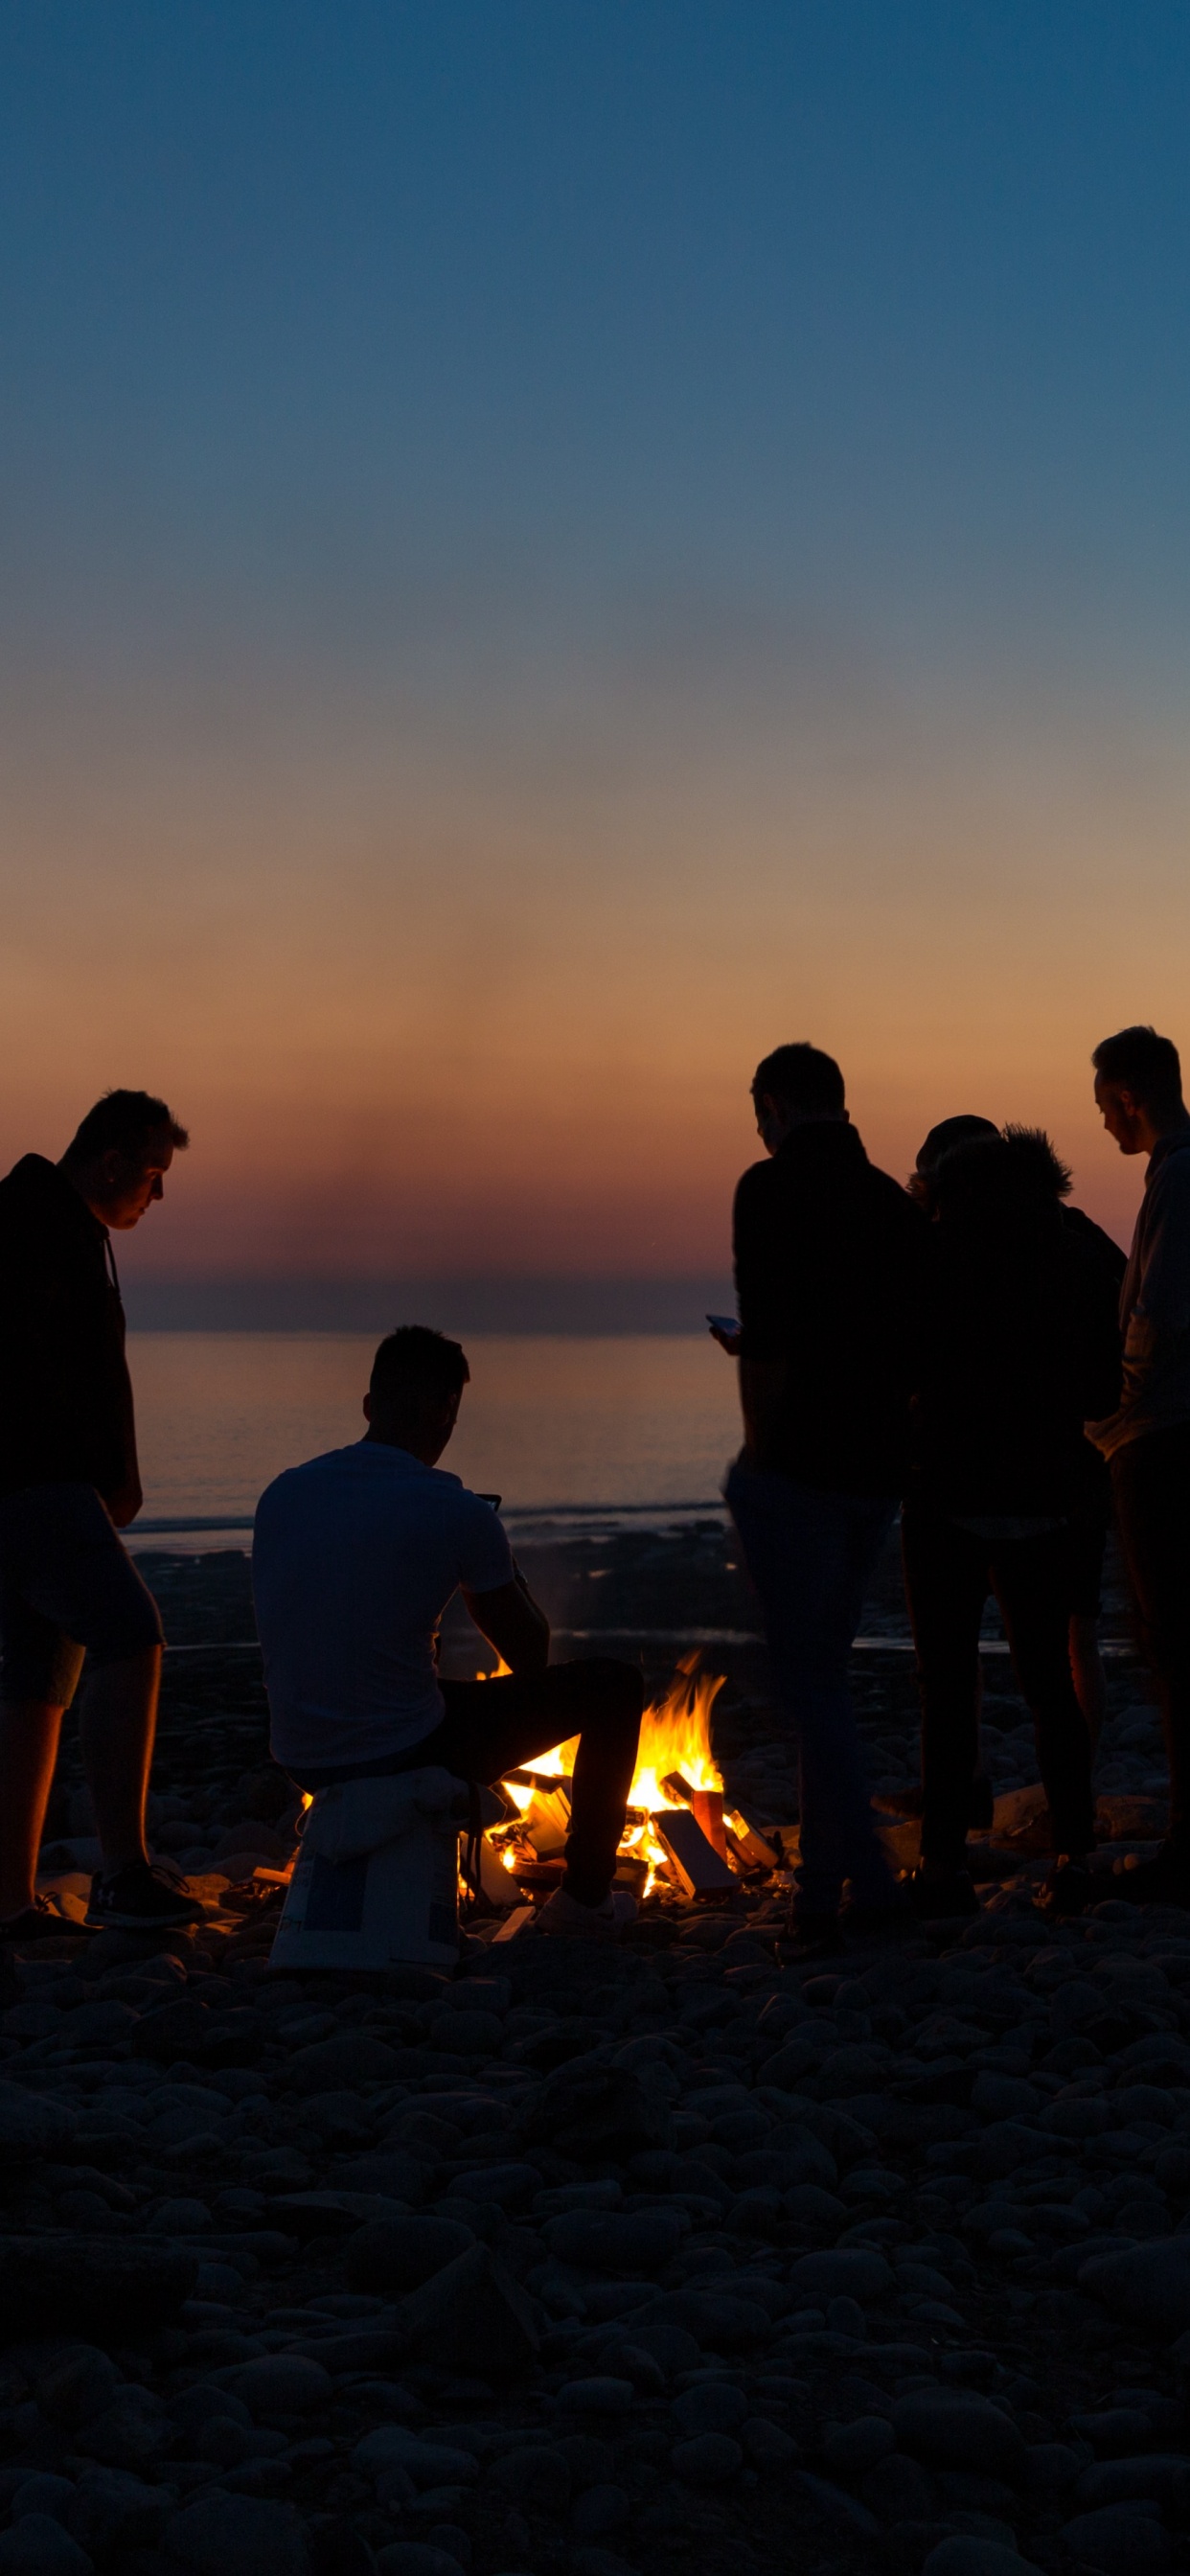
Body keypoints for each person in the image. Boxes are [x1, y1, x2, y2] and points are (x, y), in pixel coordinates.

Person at [252, 1325, 644, 1939]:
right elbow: (529, 1655)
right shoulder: (453, 1508)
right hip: (399, 1749)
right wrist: (499, 1565)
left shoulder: (284, 1492)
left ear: (367, 1407)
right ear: (445, 1416)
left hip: (301, 1753)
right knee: (616, 1687)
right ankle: (585, 1903)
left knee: (419, 1683)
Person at [718, 1043, 929, 1944]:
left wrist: (761, 1452)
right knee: (824, 1676)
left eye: (757, 1112)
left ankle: (867, 1884)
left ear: (775, 1103)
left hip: (801, 1461)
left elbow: (767, 1337)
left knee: (807, 1678)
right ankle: (819, 1886)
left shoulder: (767, 1189)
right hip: (878, 1468)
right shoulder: (890, 1201)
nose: (756, 1130)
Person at [903, 1127, 1122, 1918]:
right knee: (1048, 1687)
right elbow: (1103, 1390)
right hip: (1047, 1497)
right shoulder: (1076, 1252)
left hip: (947, 1495)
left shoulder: (929, 1254)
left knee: (946, 1684)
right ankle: (1074, 1855)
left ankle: (942, 1862)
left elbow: (899, 1368)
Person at [0, 1090, 203, 1939]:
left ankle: (11, 1904)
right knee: (130, 1630)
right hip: (29, 1482)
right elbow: (50, 1375)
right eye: (153, 1176)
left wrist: (117, 1475)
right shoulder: (29, 1224)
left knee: (36, 1680)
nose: (156, 1198)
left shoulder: (67, 1227)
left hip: (52, 1484)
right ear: (113, 1162)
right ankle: (122, 1872)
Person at [1087, 1024, 1190, 1905]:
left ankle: (1187, 1844)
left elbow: (1156, 1311)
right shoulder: (1175, 1175)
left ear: (1129, 1098)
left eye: (1105, 1109)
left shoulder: (1180, 1177)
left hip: (1162, 1438)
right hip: (1163, 1429)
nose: (1104, 1130)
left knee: (1173, 1642)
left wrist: (1116, 1404)